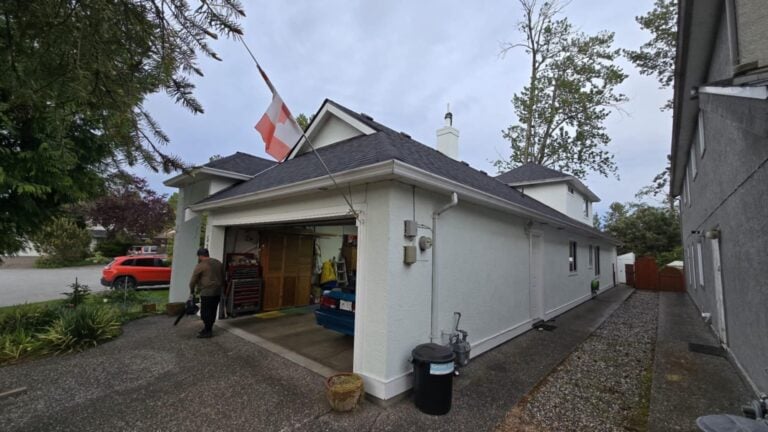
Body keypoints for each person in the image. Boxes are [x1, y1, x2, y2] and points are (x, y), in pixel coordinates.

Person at [189, 248, 224, 338]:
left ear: (200, 256)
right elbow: (223, 276)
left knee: (205, 312)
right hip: (217, 291)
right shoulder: (218, 263)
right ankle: (208, 328)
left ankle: (208, 331)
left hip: (207, 292)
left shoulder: (201, 265)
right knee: (213, 310)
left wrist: (192, 290)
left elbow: (193, 280)